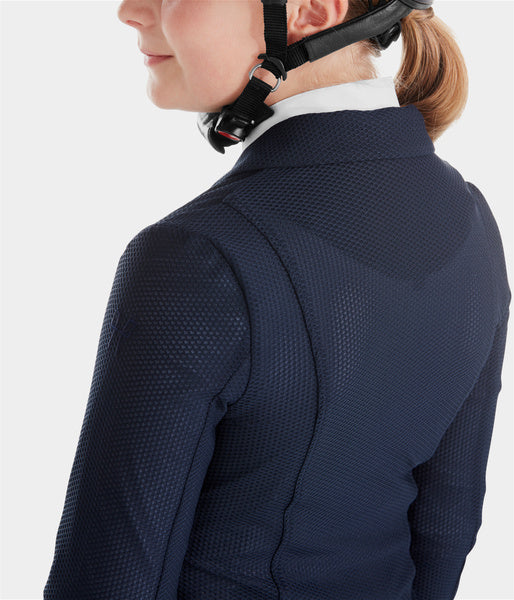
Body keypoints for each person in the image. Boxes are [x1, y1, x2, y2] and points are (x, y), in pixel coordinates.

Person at [43, 1, 511, 599]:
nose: (129, 11)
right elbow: (449, 523)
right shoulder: (472, 217)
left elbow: (110, 576)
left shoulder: (197, 255)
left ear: (312, 11)